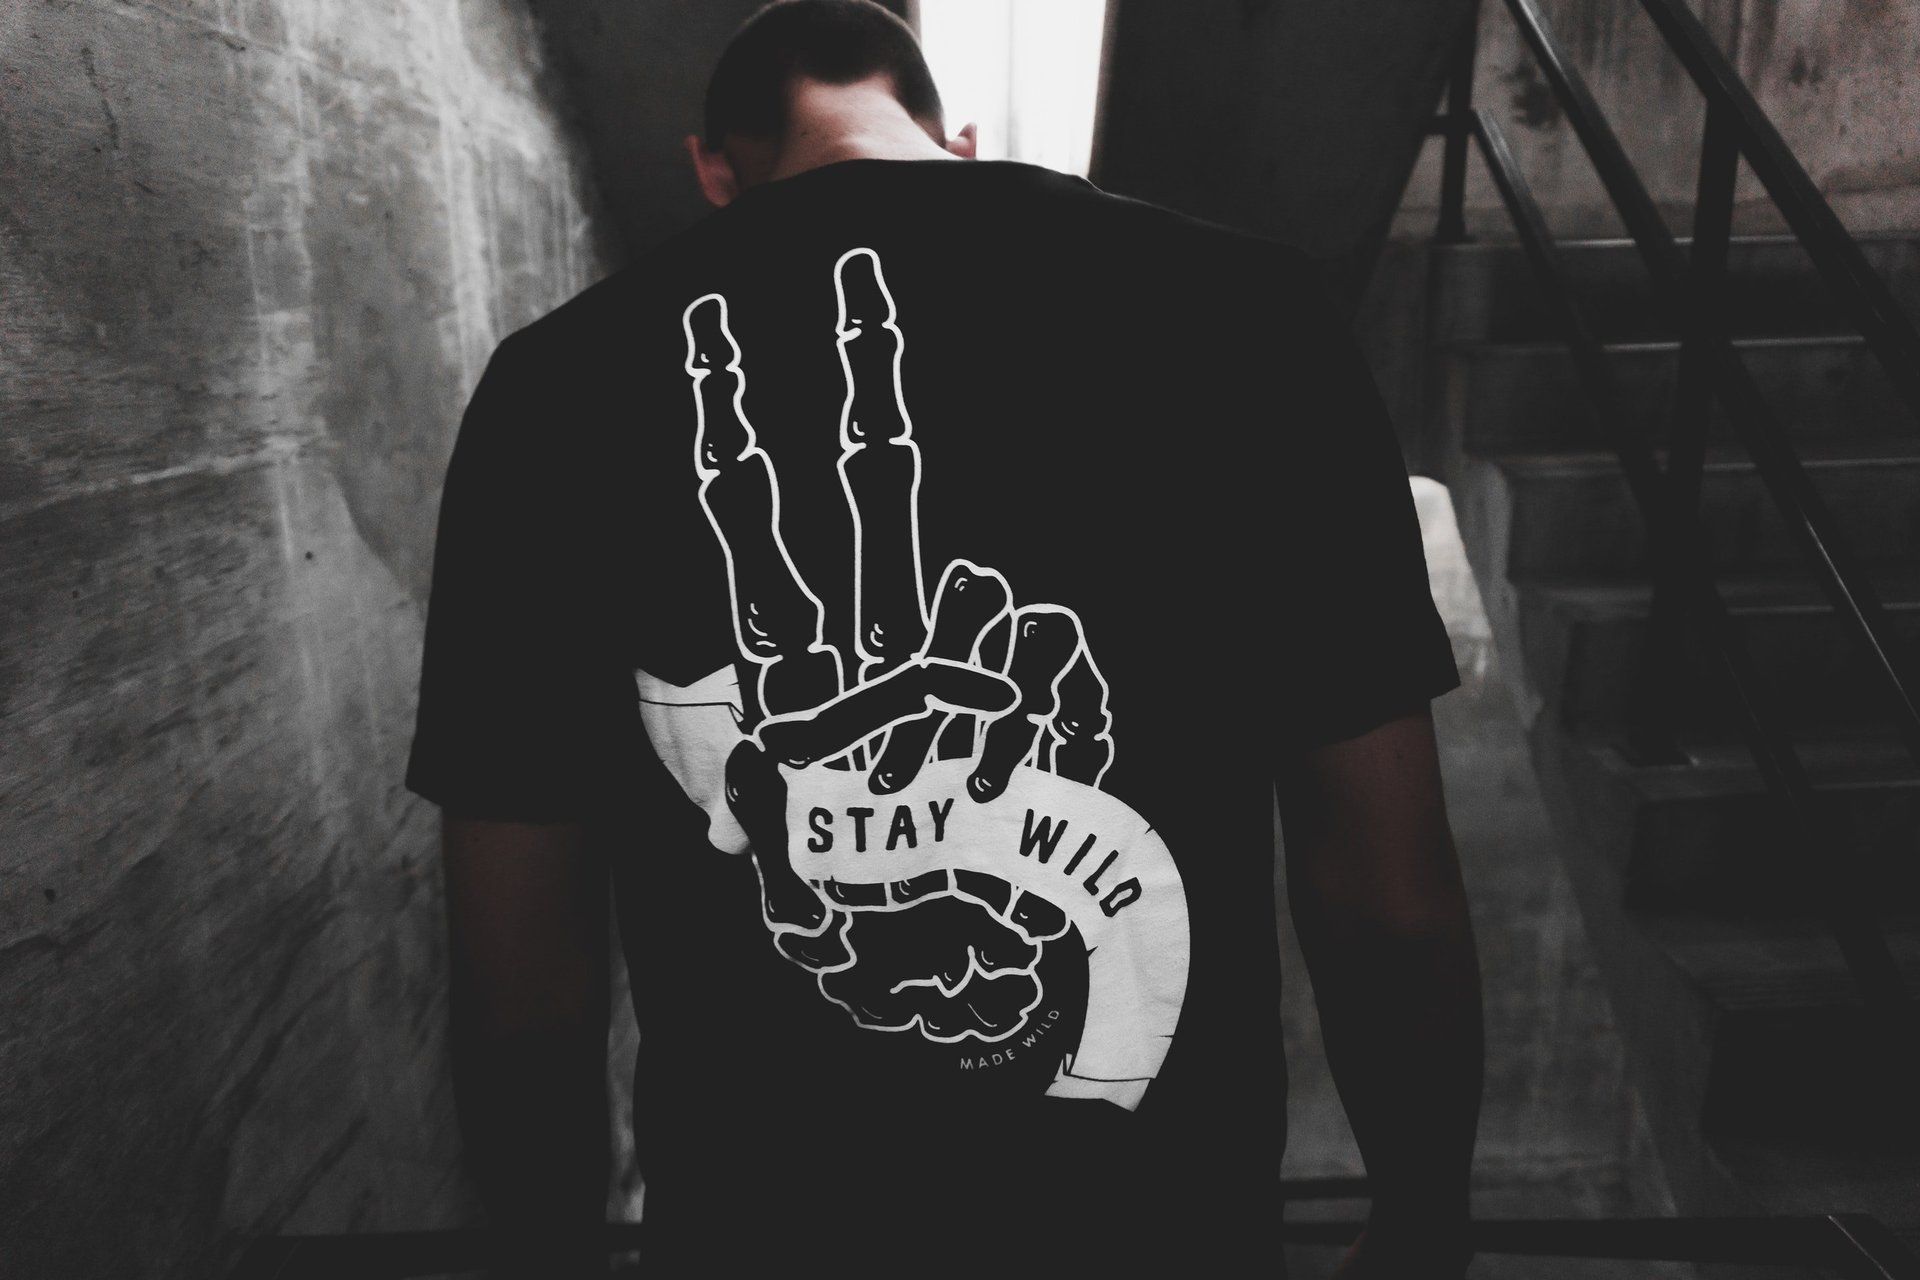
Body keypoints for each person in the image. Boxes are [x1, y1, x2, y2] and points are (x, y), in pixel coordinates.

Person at [405, 1, 1483, 1275]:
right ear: (956, 138)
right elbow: (1386, 893)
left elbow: (524, 982)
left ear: (713, 169)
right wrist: (1422, 1220)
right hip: (1165, 1233)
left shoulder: (546, 391)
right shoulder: (1259, 312)